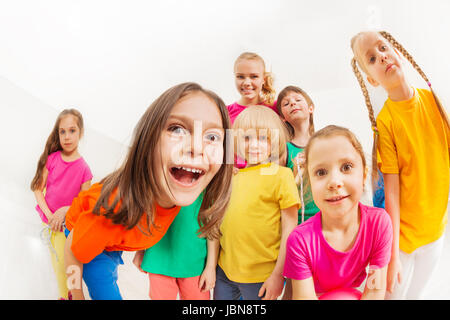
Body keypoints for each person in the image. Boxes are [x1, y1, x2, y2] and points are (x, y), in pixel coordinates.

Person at [64, 82, 233, 300]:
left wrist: (141, 249)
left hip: (111, 238)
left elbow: (151, 224)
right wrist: (75, 294)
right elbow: (72, 250)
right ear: (148, 141)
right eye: (177, 129)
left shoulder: (178, 189)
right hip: (84, 238)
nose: (198, 148)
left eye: (212, 137)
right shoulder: (114, 208)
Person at [351, 30, 450, 299]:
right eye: (372, 58)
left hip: (435, 233)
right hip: (403, 240)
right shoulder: (386, 123)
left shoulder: (433, 100)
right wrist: (392, 256)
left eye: (383, 48)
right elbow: (391, 194)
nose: (381, 57)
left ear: (398, 54)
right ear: (372, 79)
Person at [284, 125, 393, 300]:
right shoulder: (299, 240)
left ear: (364, 175)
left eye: (346, 167)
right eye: (321, 172)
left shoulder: (379, 224)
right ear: (310, 183)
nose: (334, 182)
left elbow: (374, 291)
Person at [214, 106, 299, 300]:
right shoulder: (232, 178)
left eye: (262, 138)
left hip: (261, 276)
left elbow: (289, 229)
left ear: (274, 141)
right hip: (225, 271)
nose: (253, 145)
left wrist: (278, 274)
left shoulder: (281, 175)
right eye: (246, 138)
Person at [30, 109, 92, 300]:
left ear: (80, 133)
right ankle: (67, 294)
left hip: (68, 226)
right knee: (57, 263)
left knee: (65, 265)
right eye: (62, 132)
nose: (66, 137)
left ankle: (68, 296)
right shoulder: (52, 159)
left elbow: (83, 205)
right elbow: (38, 189)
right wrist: (51, 217)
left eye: (72, 131)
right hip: (49, 222)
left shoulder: (84, 170)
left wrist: (64, 215)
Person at [276, 85, 321, 300]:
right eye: (286, 103)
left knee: (320, 282)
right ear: (283, 117)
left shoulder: (323, 142)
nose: (292, 103)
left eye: (297, 99)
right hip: (296, 226)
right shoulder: (284, 149)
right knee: (295, 286)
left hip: (323, 223)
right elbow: (274, 183)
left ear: (311, 108)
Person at [133, 194, 215, 300]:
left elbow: (213, 224)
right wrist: (139, 249)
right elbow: (143, 208)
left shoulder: (206, 184)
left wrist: (211, 267)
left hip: (195, 261)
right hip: (158, 257)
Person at [227, 52, 278, 125]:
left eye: (254, 76)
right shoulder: (225, 112)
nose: (247, 83)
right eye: (240, 77)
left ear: (264, 79)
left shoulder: (277, 107)